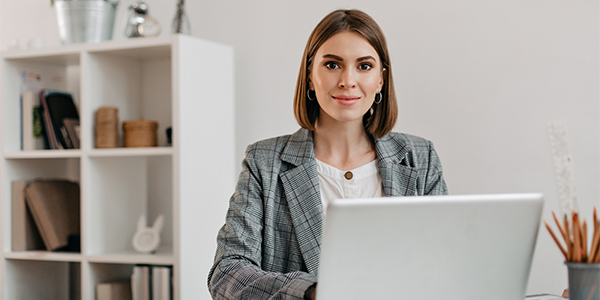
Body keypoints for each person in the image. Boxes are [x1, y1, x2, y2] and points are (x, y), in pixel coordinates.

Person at [208, 9, 448, 300]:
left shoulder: (420, 158)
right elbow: (227, 273)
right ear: (310, 76)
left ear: (381, 80)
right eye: (333, 65)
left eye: (364, 66)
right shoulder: (264, 161)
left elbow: (444, 262)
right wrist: (311, 293)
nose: (348, 80)